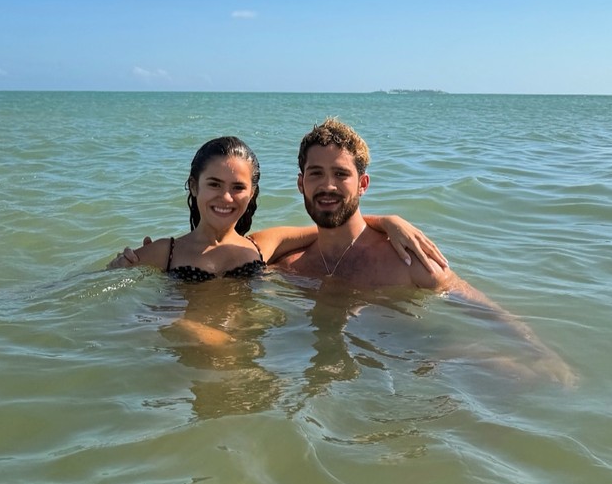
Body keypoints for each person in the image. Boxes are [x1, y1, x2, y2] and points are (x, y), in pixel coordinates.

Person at [272, 118, 577, 385]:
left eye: (341, 174)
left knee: (517, 376)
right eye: (316, 174)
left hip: (419, 370)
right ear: (301, 183)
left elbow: (480, 307)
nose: (328, 185)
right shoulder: (290, 266)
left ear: (363, 184)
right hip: (330, 382)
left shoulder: (406, 258)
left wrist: (541, 352)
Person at [106, 135, 446, 280]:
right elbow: (97, 285)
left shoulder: (262, 245)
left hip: (247, 358)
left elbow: (332, 226)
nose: (226, 198)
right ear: (194, 187)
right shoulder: (164, 253)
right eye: (214, 185)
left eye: (238, 188)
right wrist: (118, 266)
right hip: (187, 360)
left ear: (252, 194)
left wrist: (388, 222)